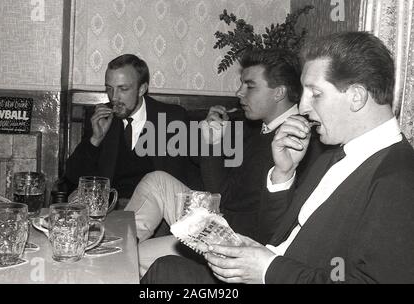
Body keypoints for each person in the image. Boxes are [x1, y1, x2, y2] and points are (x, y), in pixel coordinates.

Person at [143, 31, 414, 284]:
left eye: (316, 94)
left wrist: (268, 268)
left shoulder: (399, 178)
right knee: (164, 268)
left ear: (356, 97)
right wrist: (283, 175)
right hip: (270, 268)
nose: (304, 107)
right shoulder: (332, 155)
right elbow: (277, 233)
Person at [124, 48, 322, 276]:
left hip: (235, 239)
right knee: (156, 180)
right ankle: (120, 245)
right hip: (222, 215)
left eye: (250, 86)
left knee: (136, 257)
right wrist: (211, 141)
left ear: (278, 93)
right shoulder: (258, 127)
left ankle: (119, 258)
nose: (239, 92)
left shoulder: (293, 141)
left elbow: (225, 197)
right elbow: (217, 182)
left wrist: (212, 147)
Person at [63, 54, 191, 200]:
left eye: (123, 89)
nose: (114, 97)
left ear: (142, 89)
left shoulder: (171, 118)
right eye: (109, 89)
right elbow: (73, 176)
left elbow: (181, 178)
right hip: (112, 208)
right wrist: (95, 140)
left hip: (157, 207)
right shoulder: (101, 117)